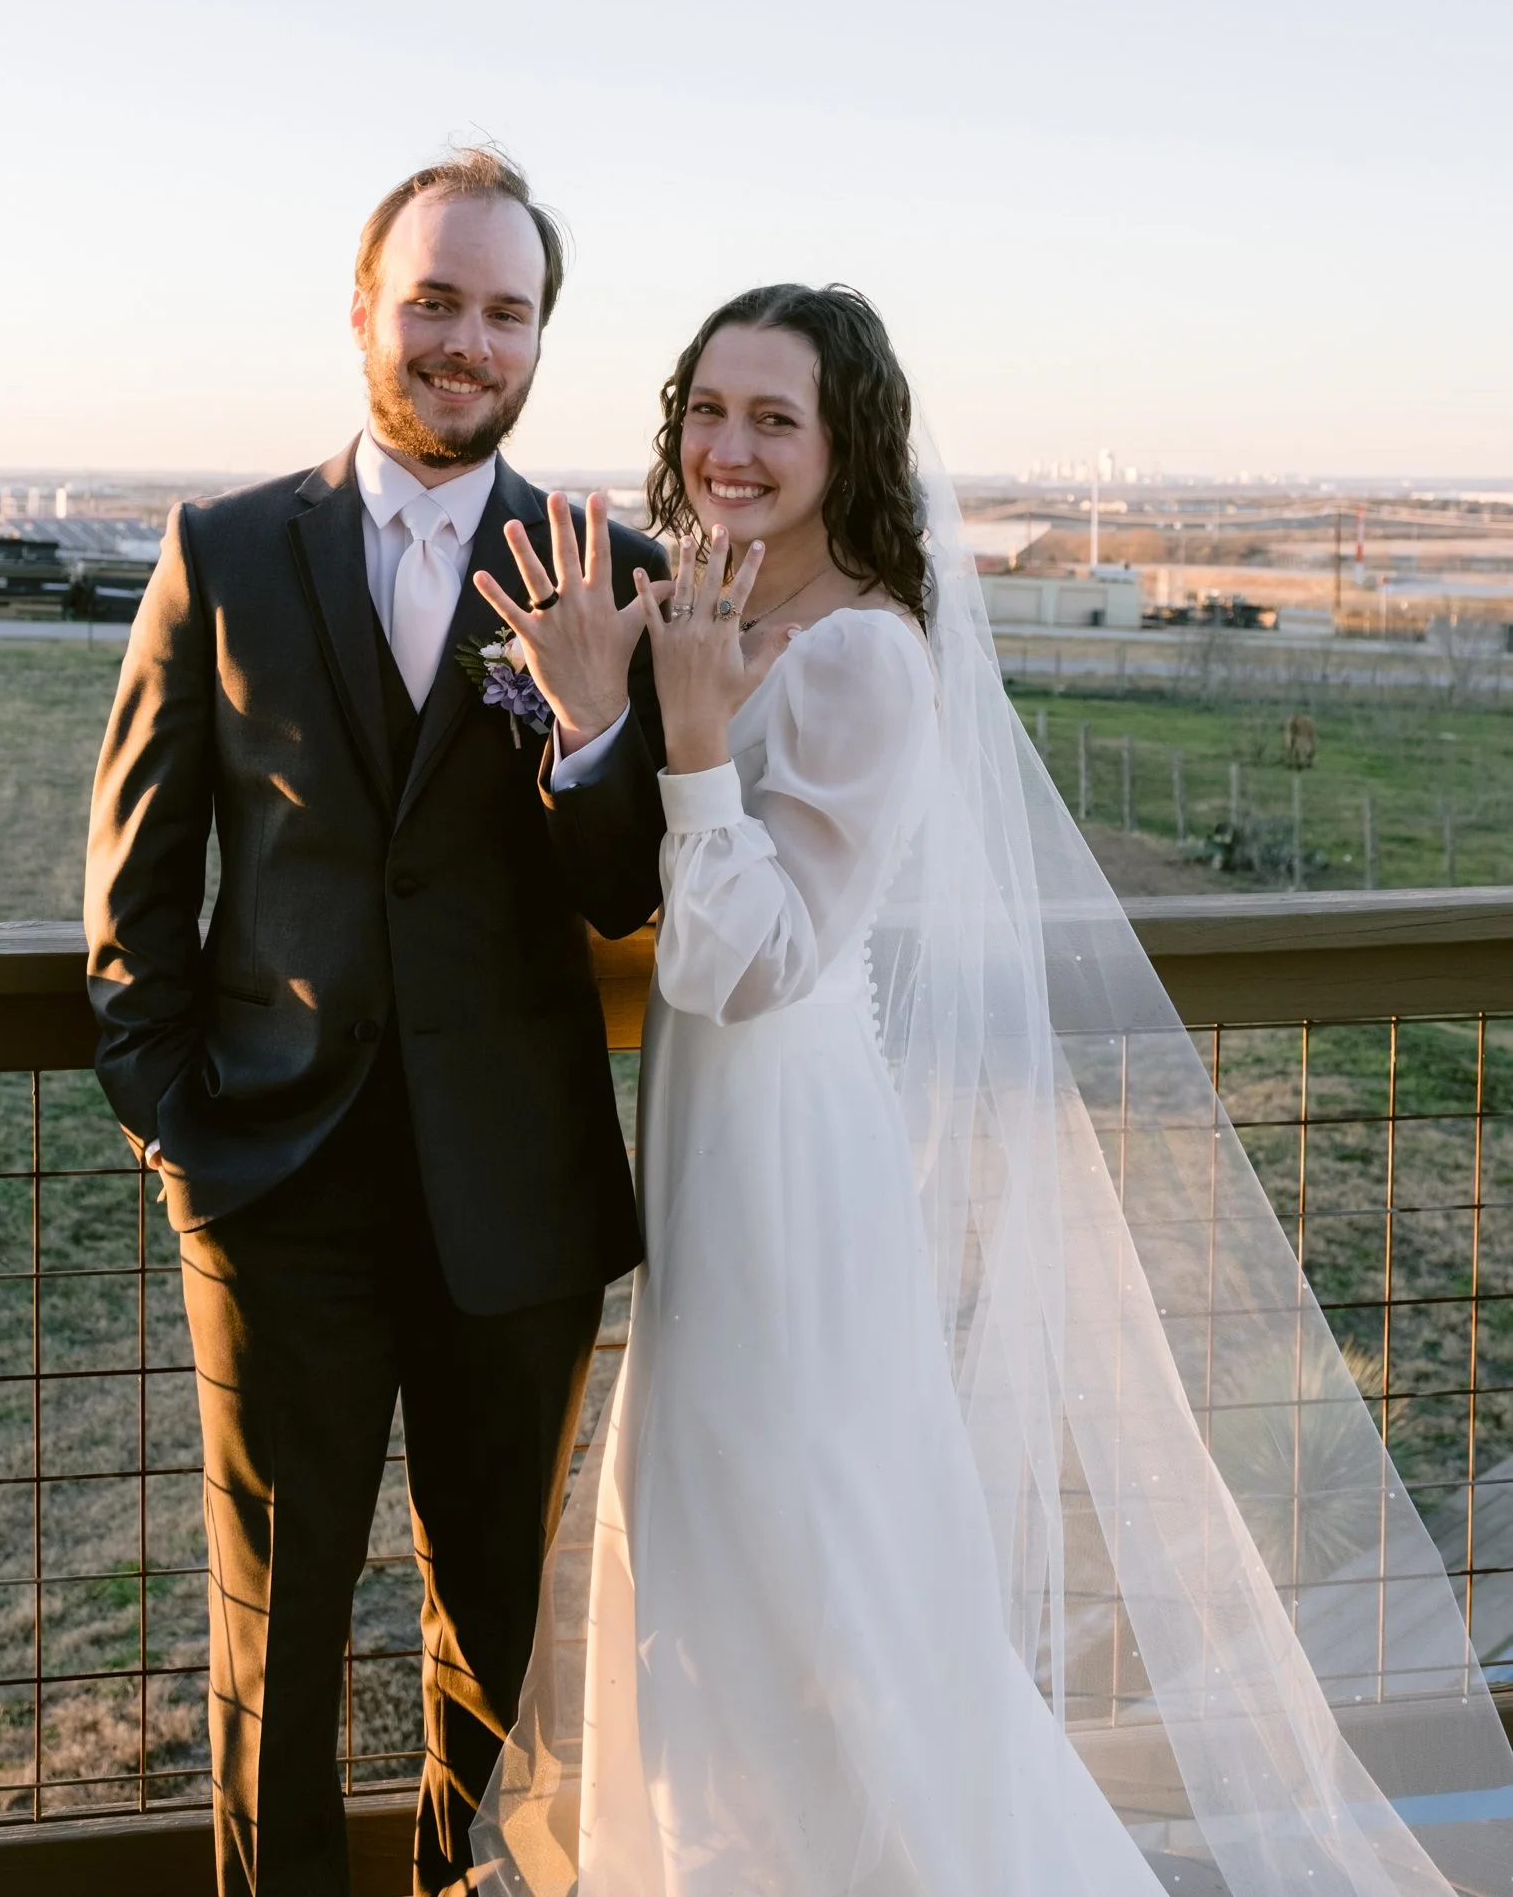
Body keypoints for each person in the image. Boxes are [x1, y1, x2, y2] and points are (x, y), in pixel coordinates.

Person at [473, 285, 1513, 1896]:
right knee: (716, 1517)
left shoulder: (861, 655)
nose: (729, 448)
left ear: (845, 444)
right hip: (714, 1133)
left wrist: (682, 736)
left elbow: (750, 960)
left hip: (786, 1146)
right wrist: (607, 714)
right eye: (708, 410)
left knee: (800, 1527)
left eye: (774, 419)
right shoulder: (712, 607)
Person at [83, 147, 672, 1897]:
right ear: (363, 311)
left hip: (518, 1203)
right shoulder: (222, 551)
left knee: (500, 1631)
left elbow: (626, 891)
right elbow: (136, 884)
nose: (466, 341)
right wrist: (180, 1138)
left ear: (540, 337)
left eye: (505, 311)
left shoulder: (613, 569)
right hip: (276, 1193)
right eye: (434, 301)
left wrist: (586, 728)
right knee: (277, 1633)